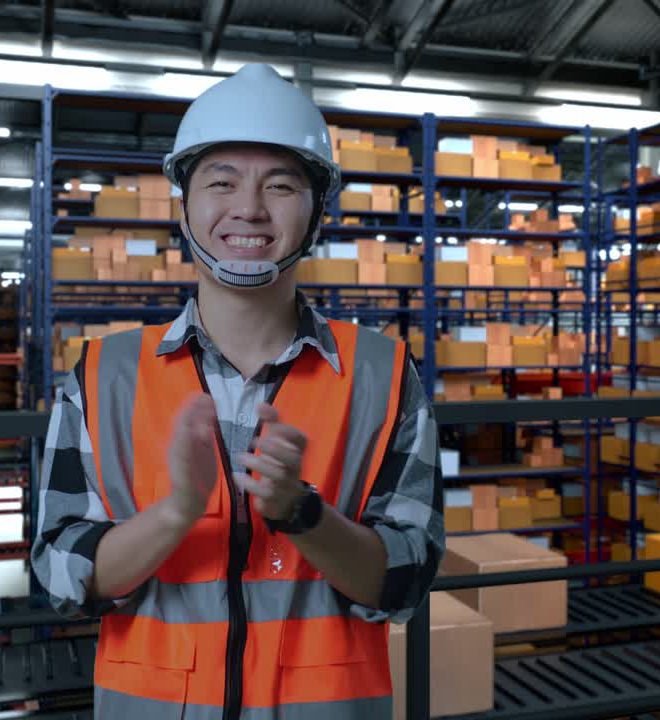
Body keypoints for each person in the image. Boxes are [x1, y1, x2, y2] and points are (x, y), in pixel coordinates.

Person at [33, 63, 443, 719]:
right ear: (184, 206)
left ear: (317, 213)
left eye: (280, 185)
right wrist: (175, 513)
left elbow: (407, 579)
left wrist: (302, 514)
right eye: (221, 182)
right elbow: (62, 576)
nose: (249, 208)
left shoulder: (383, 373)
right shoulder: (102, 375)